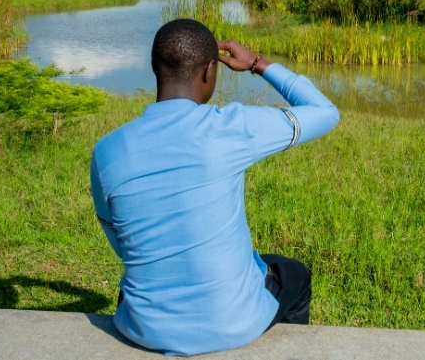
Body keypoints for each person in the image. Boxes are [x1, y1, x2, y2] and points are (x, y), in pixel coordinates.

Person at [90, 18, 339, 356]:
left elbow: (121, 245)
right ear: (209, 71)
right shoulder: (229, 129)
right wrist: (256, 63)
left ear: (155, 69)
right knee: (294, 275)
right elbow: (324, 112)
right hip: (231, 323)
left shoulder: (107, 150)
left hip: (143, 327)